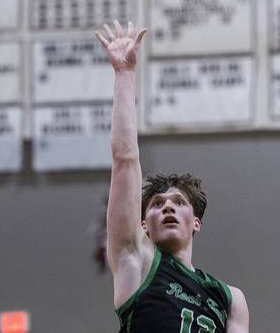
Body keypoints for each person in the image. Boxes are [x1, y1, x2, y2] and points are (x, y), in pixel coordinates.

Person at [95, 20, 249, 333]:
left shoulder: (229, 298)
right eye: (156, 204)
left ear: (196, 222)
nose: (167, 207)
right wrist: (125, 74)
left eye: (178, 202)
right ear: (142, 225)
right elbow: (124, 160)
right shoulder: (136, 262)